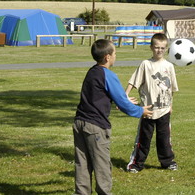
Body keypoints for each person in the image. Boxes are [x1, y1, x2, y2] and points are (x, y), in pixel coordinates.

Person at [73, 39, 153, 195]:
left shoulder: (92, 71)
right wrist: (139, 111)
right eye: (115, 52)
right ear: (108, 57)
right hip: (95, 127)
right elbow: (122, 103)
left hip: (79, 123)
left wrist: (121, 98)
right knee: (102, 166)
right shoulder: (108, 74)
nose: (116, 55)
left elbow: (100, 95)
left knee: (82, 164)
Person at [126, 33, 179, 173]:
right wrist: (125, 96)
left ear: (166, 49)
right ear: (151, 47)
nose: (159, 50)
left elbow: (171, 88)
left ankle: (167, 162)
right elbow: (133, 81)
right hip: (148, 111)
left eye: (162, 48)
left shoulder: (169, 66)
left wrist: (171, 105)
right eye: (156, 47)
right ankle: (136, 164)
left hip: (164, 110)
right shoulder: (146, 64)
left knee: (164, 139)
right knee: (144, 139)